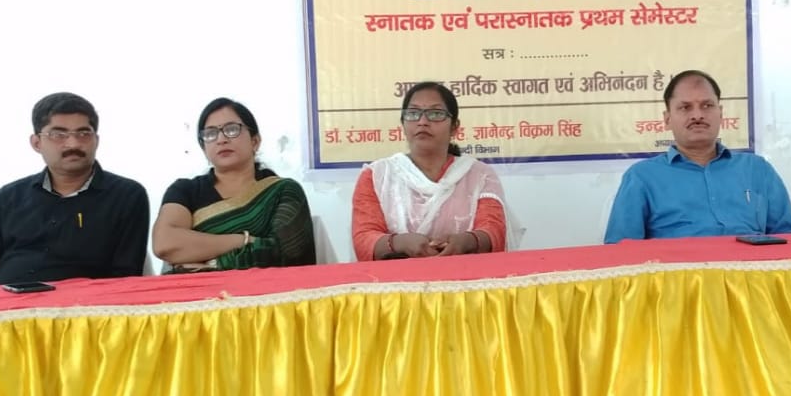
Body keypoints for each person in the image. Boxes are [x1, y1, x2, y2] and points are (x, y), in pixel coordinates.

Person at [0, 93, 150, 286]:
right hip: (4, 302)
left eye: (83, 134)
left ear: (96, 141)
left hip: (82, 304)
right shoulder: (9, 197)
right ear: (36, 143)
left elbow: (125, 276)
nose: (73, 143)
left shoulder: (126, 196)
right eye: (58, 135)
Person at [604, 70, 791, 243]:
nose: (697, 115)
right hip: (677, 272)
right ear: (667, 118)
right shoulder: (642, 177)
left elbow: (790, 241)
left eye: (707, 105)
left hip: (752, 272)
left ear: (720, 113)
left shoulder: (757, 169)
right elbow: (621, 252)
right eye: (685, 107)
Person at [352, 82, 519, 260]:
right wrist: (399, 243)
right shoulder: (377, 176)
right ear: (403, 124)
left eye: (436, 114)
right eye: (413, 113)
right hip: (395, 277)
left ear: (454, 126)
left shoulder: (480, 175)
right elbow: (364, 238)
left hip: (465, 274)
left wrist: (468, 241)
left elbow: (494, 230)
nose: (422, 122)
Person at [152, 98, 317, 272]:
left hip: (267, 288)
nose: (221, 139)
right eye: (210, 134)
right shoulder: (184, 191)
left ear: (255, 141)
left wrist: (212, 264)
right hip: (198, 289)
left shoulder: (283, 191)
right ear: (204, 148)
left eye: (232, 130)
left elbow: (285, 255)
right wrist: (243, 240)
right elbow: (165, 244)